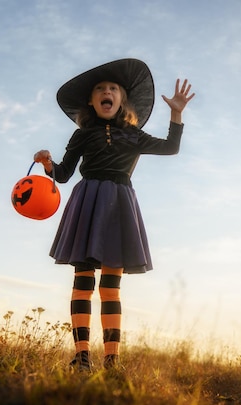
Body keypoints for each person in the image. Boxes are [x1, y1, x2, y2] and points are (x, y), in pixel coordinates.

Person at [33, 58, 194, 371]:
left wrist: (176, 113)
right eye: (99, 89)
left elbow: (171, 147)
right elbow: (64, 175)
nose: (106, 92)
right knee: (82, 279)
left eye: (113, 89)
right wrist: (48, 163)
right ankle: (81, 356)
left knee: (110, 287)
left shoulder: (134, 135)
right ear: (92, 102)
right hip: (87, 203)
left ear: (122, 99)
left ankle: (111, 360)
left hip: (118, 206)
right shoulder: (82, 135)